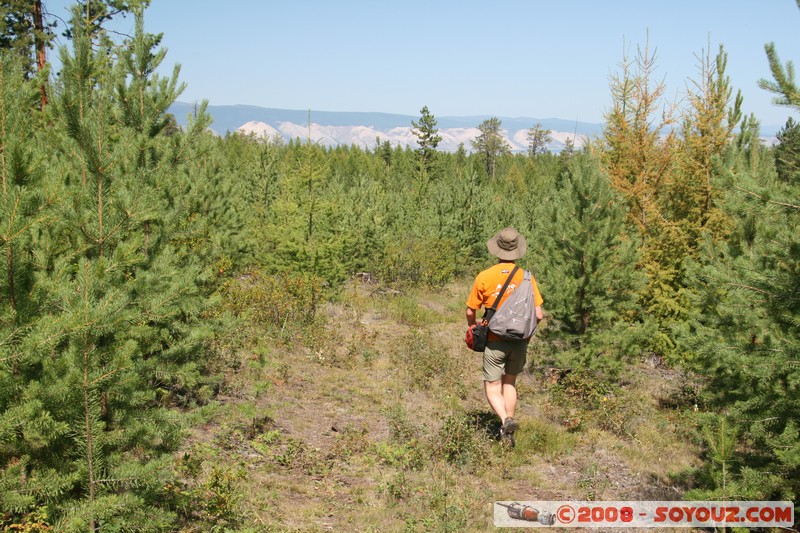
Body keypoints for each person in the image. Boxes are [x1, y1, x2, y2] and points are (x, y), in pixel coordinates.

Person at [466, 227, 544, 445]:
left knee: (492, 387)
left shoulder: (484, 276)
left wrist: (473, 328)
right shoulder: (527, 278)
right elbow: (538, 314)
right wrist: (527, 336)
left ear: (496, 249)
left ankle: (505, 420)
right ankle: (508, 430)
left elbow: (471, 310)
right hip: (519, 341)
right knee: (509, 383)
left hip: (494, 340)